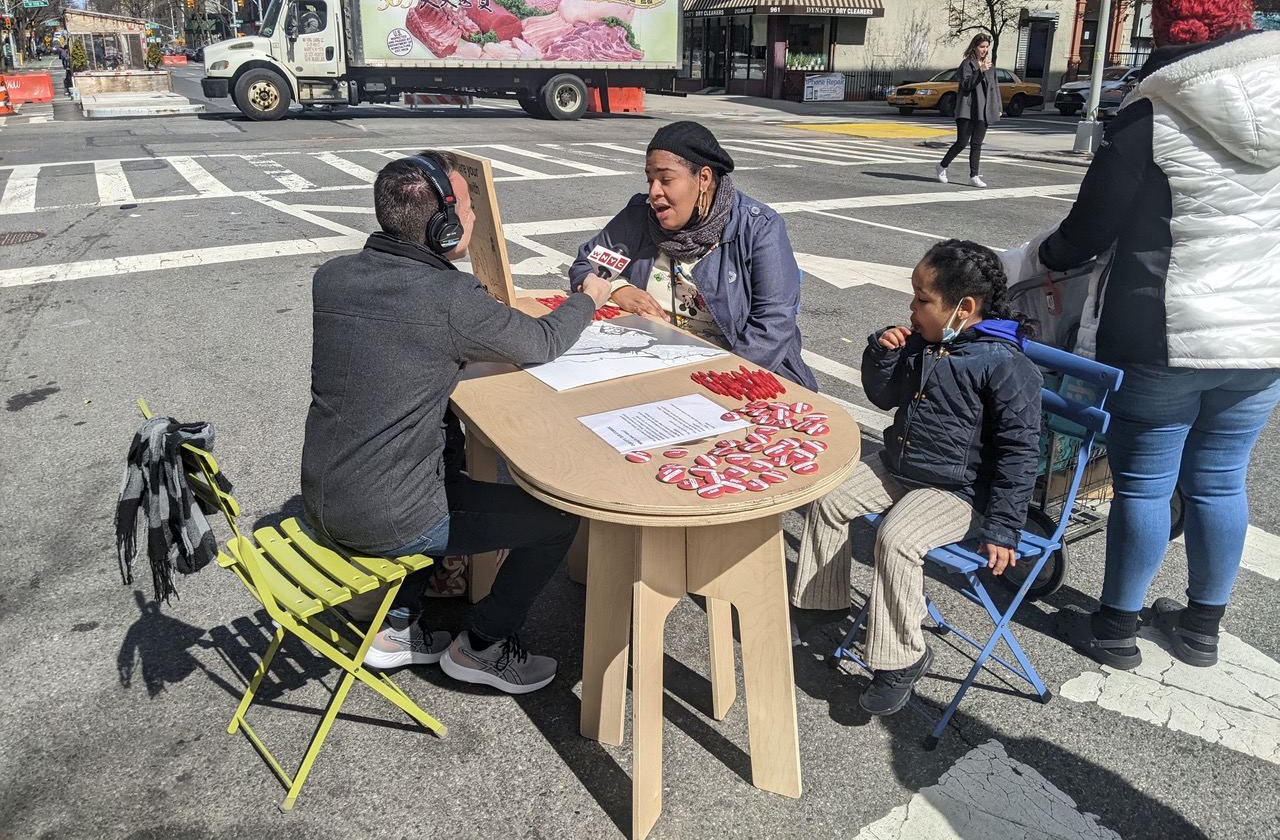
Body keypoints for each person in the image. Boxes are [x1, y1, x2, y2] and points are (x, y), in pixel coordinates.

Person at [1038, 0, 1280, 671]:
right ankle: (1202, 625)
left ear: (1168, 29)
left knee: (1144, 483)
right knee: (1222, 480)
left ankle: (1114, 626)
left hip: (1164, 330)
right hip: (1263, 334)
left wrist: (1047, 257)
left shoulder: (1153, 111)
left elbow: (1088, 229)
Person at [301, 151, 613, 694]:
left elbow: (398, 349)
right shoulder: (447, 297)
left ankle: (399, 627)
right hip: (389, 518)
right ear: (443, 223)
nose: (472, 219)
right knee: (557, 520)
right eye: (467, 209)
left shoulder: (333, 278)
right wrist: (586, 299)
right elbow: (541, 341)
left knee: (443, 460)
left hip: (324, 498)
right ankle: (485, 644)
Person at [791, 240, 1041, 715]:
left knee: (896, 537)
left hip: (960, 491)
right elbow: (884, 396)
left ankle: (902, 657)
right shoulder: (928, 344)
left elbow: (1019, 452)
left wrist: (1006, 526)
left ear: (963, 308)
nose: (912, 307)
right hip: (902, 466)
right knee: (827, 495)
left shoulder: (1006, 365)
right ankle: (824, 602)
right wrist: (883, 353)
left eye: (923, 299)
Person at [568, 121, 817, 390]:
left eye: (666, 179)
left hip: (734, 375)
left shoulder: (758, 228)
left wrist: (716, 384)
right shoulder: (639, 217)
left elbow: (773, 324)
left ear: (704, 179)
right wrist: (618, 288)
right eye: (650, 179)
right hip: (648, 364)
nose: (654, 192)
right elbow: (585, 266)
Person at [936, 34, 1001, 188]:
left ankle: (974, 176)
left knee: (977, 144)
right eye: (981, 47)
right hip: (967, 108)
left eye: (986, 47)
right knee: (962, 142)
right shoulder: (967, 64)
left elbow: (994, 88)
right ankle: (942, 166)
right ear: (974, 47)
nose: (984, 50)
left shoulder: (990, 66)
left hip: (983, 110)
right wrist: (980, 71)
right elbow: (966, 85)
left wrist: (998, 107)